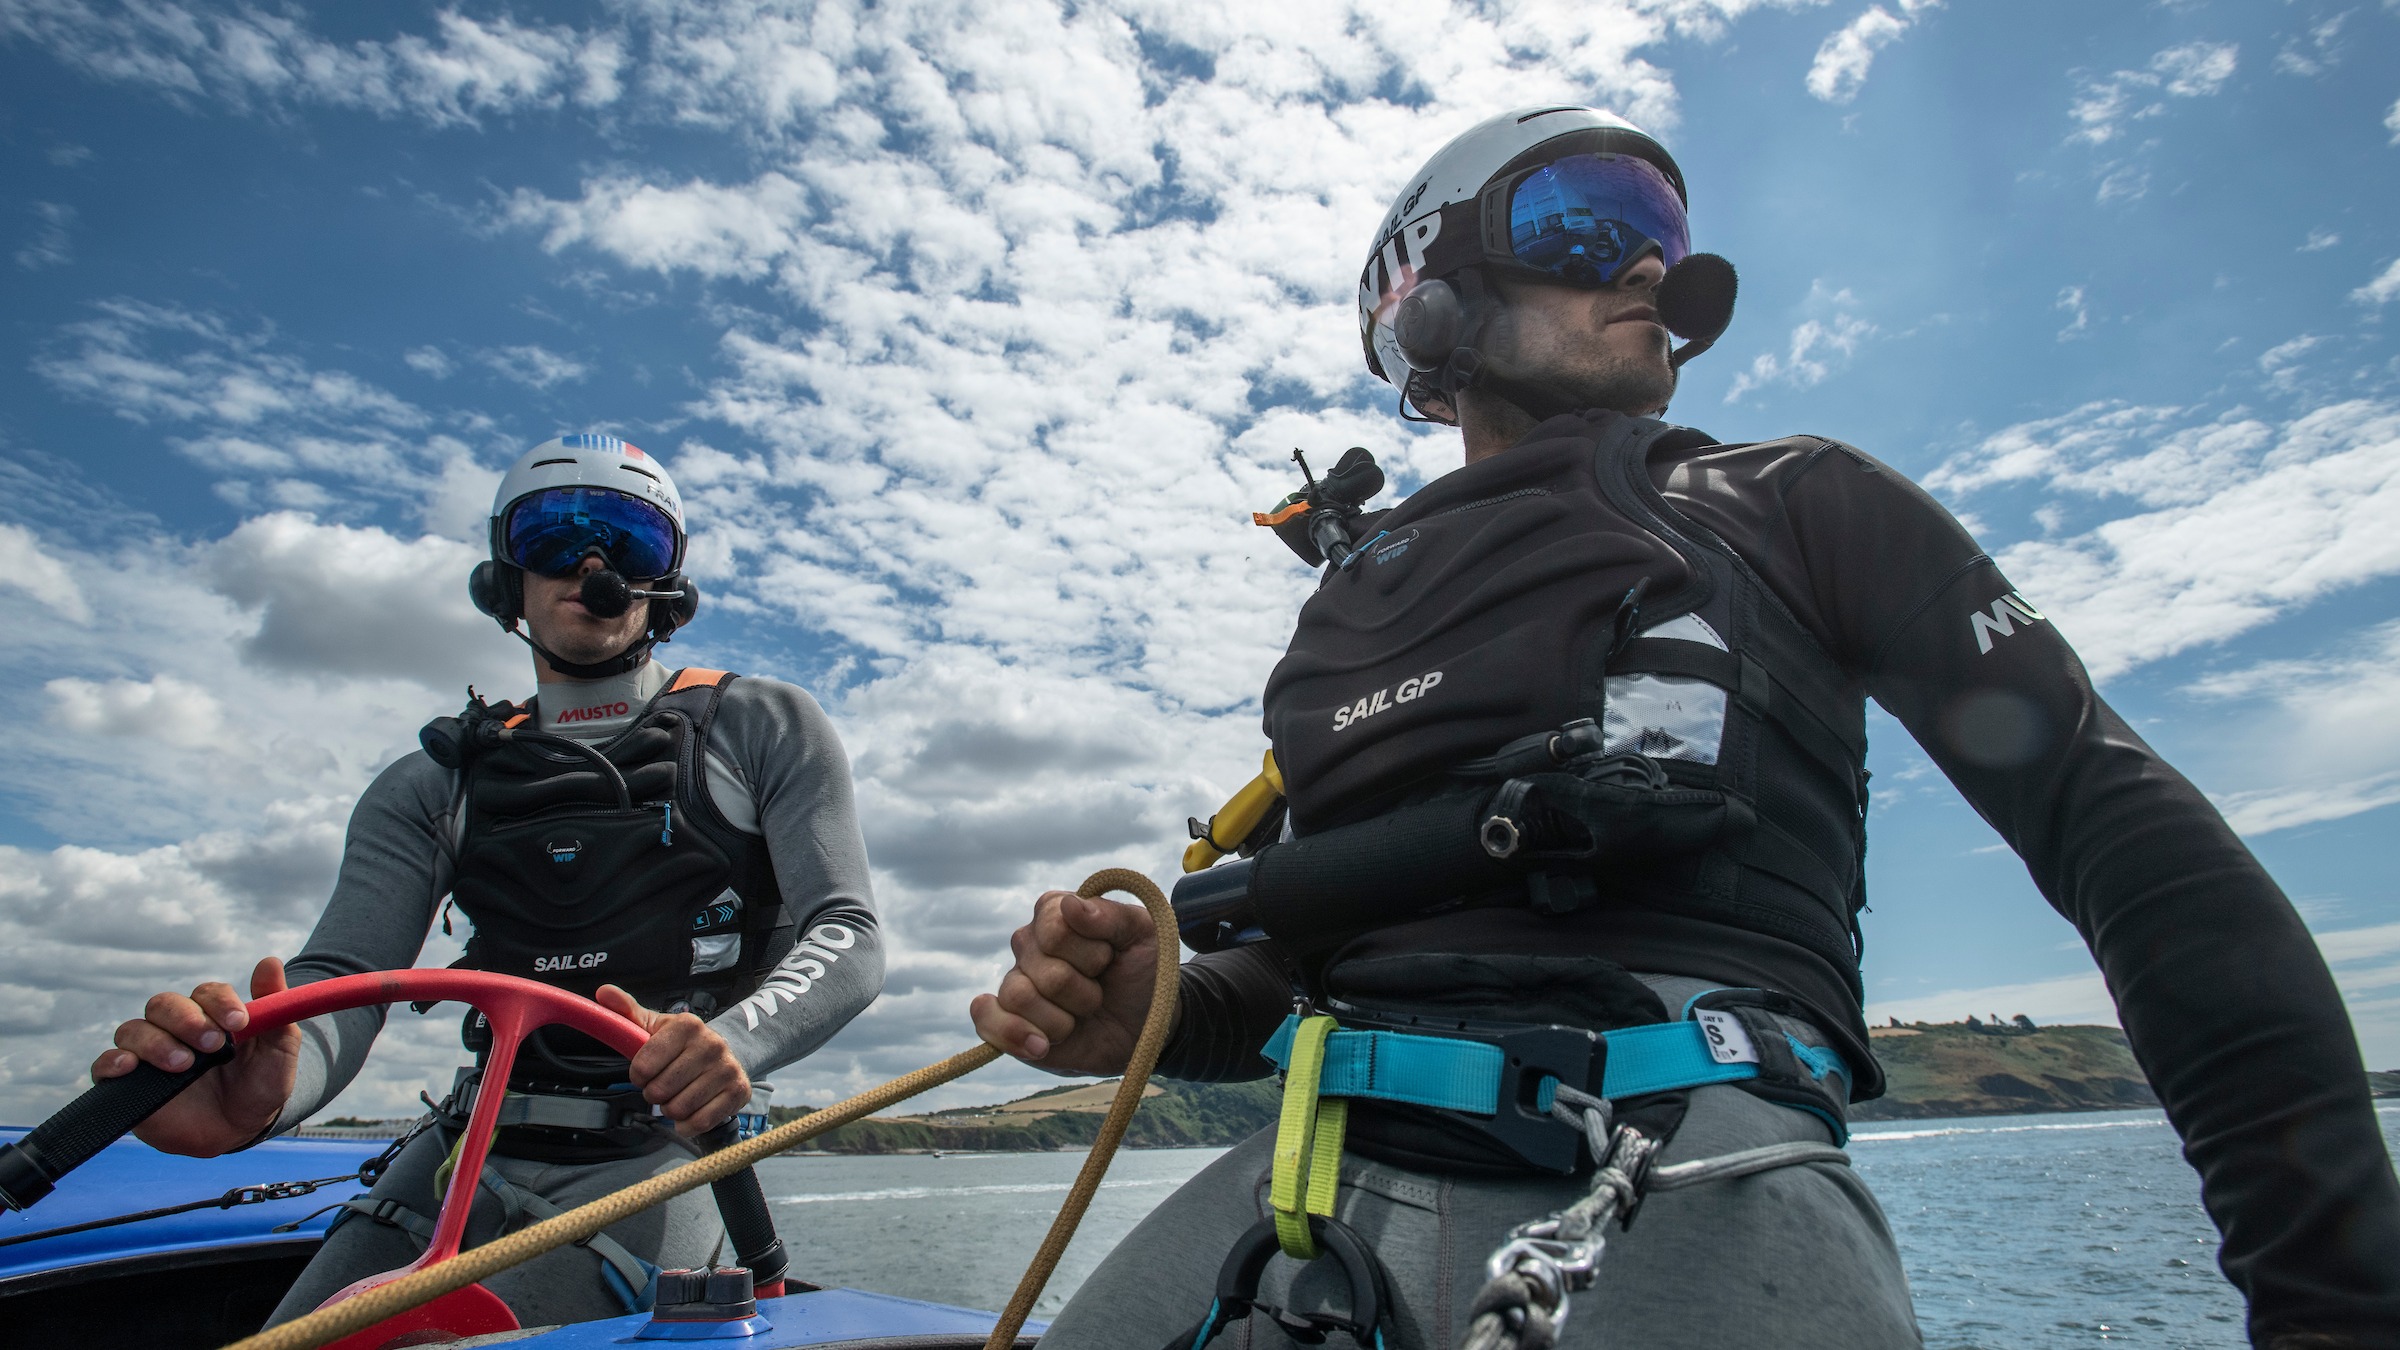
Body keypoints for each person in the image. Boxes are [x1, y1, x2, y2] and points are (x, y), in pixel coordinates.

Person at [971, 108, 2400, 1348]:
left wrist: (2334, 1301)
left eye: (1664, 236)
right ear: (1426, 297)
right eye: (1594, 221)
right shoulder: (1344, 614)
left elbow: (2128, 842)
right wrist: (1147, 1013)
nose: (1654, 264)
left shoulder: (1804, 499)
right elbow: (1291, 977)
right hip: (1299, 1183)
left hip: (1690, 1159)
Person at [92, 434, 883, 1328]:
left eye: (629, 538)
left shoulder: (764, 724)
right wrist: (270, 1090)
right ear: (505, 579)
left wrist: (730, 1045)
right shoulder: (430, 783)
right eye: (553, 537)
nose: (591, 563)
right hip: (464, 1149)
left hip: (670, 1148)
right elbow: (344, 981)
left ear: (670, 581)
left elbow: (848, 931)